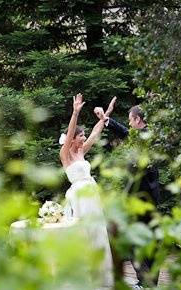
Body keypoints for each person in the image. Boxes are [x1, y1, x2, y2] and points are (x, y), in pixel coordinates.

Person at [94, 100, 164, 288]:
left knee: (136, 240)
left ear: (138, 119)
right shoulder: (147, 135)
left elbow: (126, 133)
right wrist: (106, 119)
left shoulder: (145, 136)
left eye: (131, 120)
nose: (130, 124)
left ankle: (145, 282)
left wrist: (107, 119)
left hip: (141, 198)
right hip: (148, 197)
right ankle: (149, 283)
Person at [59, 93, 115, 288]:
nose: (83, 138)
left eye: (83, 136)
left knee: (96, 230)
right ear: (72, 139)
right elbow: (71, 131)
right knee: (82, 232)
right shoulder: (65, 154)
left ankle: (100, 275)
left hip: (91, 195)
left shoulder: (82, 150)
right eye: (80, 136)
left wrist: (106, 115)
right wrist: (75, 113)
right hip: (79, 198)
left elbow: (95, 133)